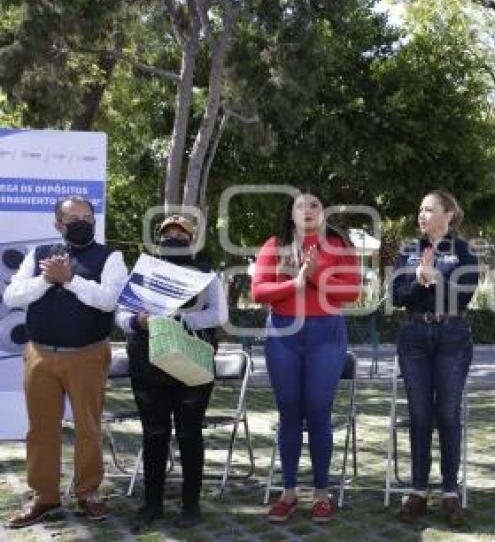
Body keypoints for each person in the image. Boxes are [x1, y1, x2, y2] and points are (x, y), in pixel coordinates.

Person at [4, 196, 128, 528]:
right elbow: (12, 296)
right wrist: (47, 280)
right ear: (58, 223)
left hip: (87, 355)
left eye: (87, 217)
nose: (82, 222)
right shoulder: (39, 254)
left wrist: (70, 280)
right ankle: (44, 497)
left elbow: (108, 301)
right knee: (42, 430)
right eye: (73, 217)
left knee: (88, 428)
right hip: (41, 355)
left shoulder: (110, 257)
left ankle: (88, 493)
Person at [252, 187, 360, 523]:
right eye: (301, 206)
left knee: (318, 411)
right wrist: (294, 284)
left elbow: (351, 292)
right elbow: (259, 291)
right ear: (291, 214)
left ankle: (322, 493)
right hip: (283, 335)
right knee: (289, 413)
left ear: (323, 212)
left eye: (315, 205)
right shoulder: (274, 245)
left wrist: (314, 277)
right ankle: (288, 492)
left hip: (325, 334)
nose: (308, 210)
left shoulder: (339, 246)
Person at [116, 214, 227, 530]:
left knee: (190, 435)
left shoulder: (207, 275)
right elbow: (121, 315)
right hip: (147, 365)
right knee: (154, 434)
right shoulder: (143, 273)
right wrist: (138, 322)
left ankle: (190, 506)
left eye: (181, 235)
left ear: (191, 241)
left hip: (190, 365)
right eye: (168, 235)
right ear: (158, 240)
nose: (173, 240)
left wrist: (180, 320)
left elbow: (219, 314)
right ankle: (152, 505)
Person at [391, 190, 479, 527]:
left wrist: (438, 279)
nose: (422, 215)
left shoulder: (465, 251)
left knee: (447, 414)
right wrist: (417, 279)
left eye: (429, 209)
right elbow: (398, 296)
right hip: (414, 337)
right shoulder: (408, 251)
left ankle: (449, 492)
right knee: (420, 414)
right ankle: (418, 490)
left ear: (449, 214)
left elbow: (464, 296)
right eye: (420, 209)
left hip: (452, 337)